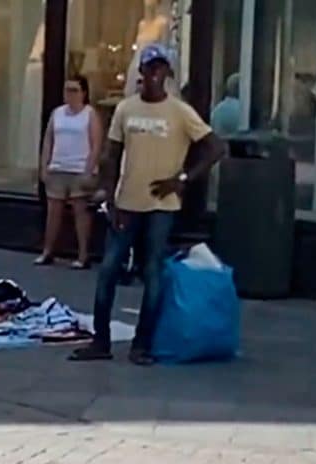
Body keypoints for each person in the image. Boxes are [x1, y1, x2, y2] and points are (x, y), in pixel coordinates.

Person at [69, 44, 225, 366]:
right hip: (127, 203)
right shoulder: (126, 109)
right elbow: (111, 156)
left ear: (167, 73)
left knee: (153, 272)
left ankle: (142, 345)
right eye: (149, 67)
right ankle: (100, 341)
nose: (154, 74)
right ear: (140, 72)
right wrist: (110, 198)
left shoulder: (180, 112)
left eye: (159, 68)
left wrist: (182, 179)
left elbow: (215, 147)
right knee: (108, 270)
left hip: (162, 206)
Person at [36, 75, 102, 269]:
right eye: (67, 90)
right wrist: (44, 165)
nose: (70, 94)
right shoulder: (57, 113)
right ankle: (48, 251)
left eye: (74, 90)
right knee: (53, 212)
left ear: (83, 93)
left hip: (79, 169)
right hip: (58, 167)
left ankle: (83, 255)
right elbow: (48, 140)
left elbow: (96, 144)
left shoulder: (89, 114)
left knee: (80, 213)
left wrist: (89, 170)